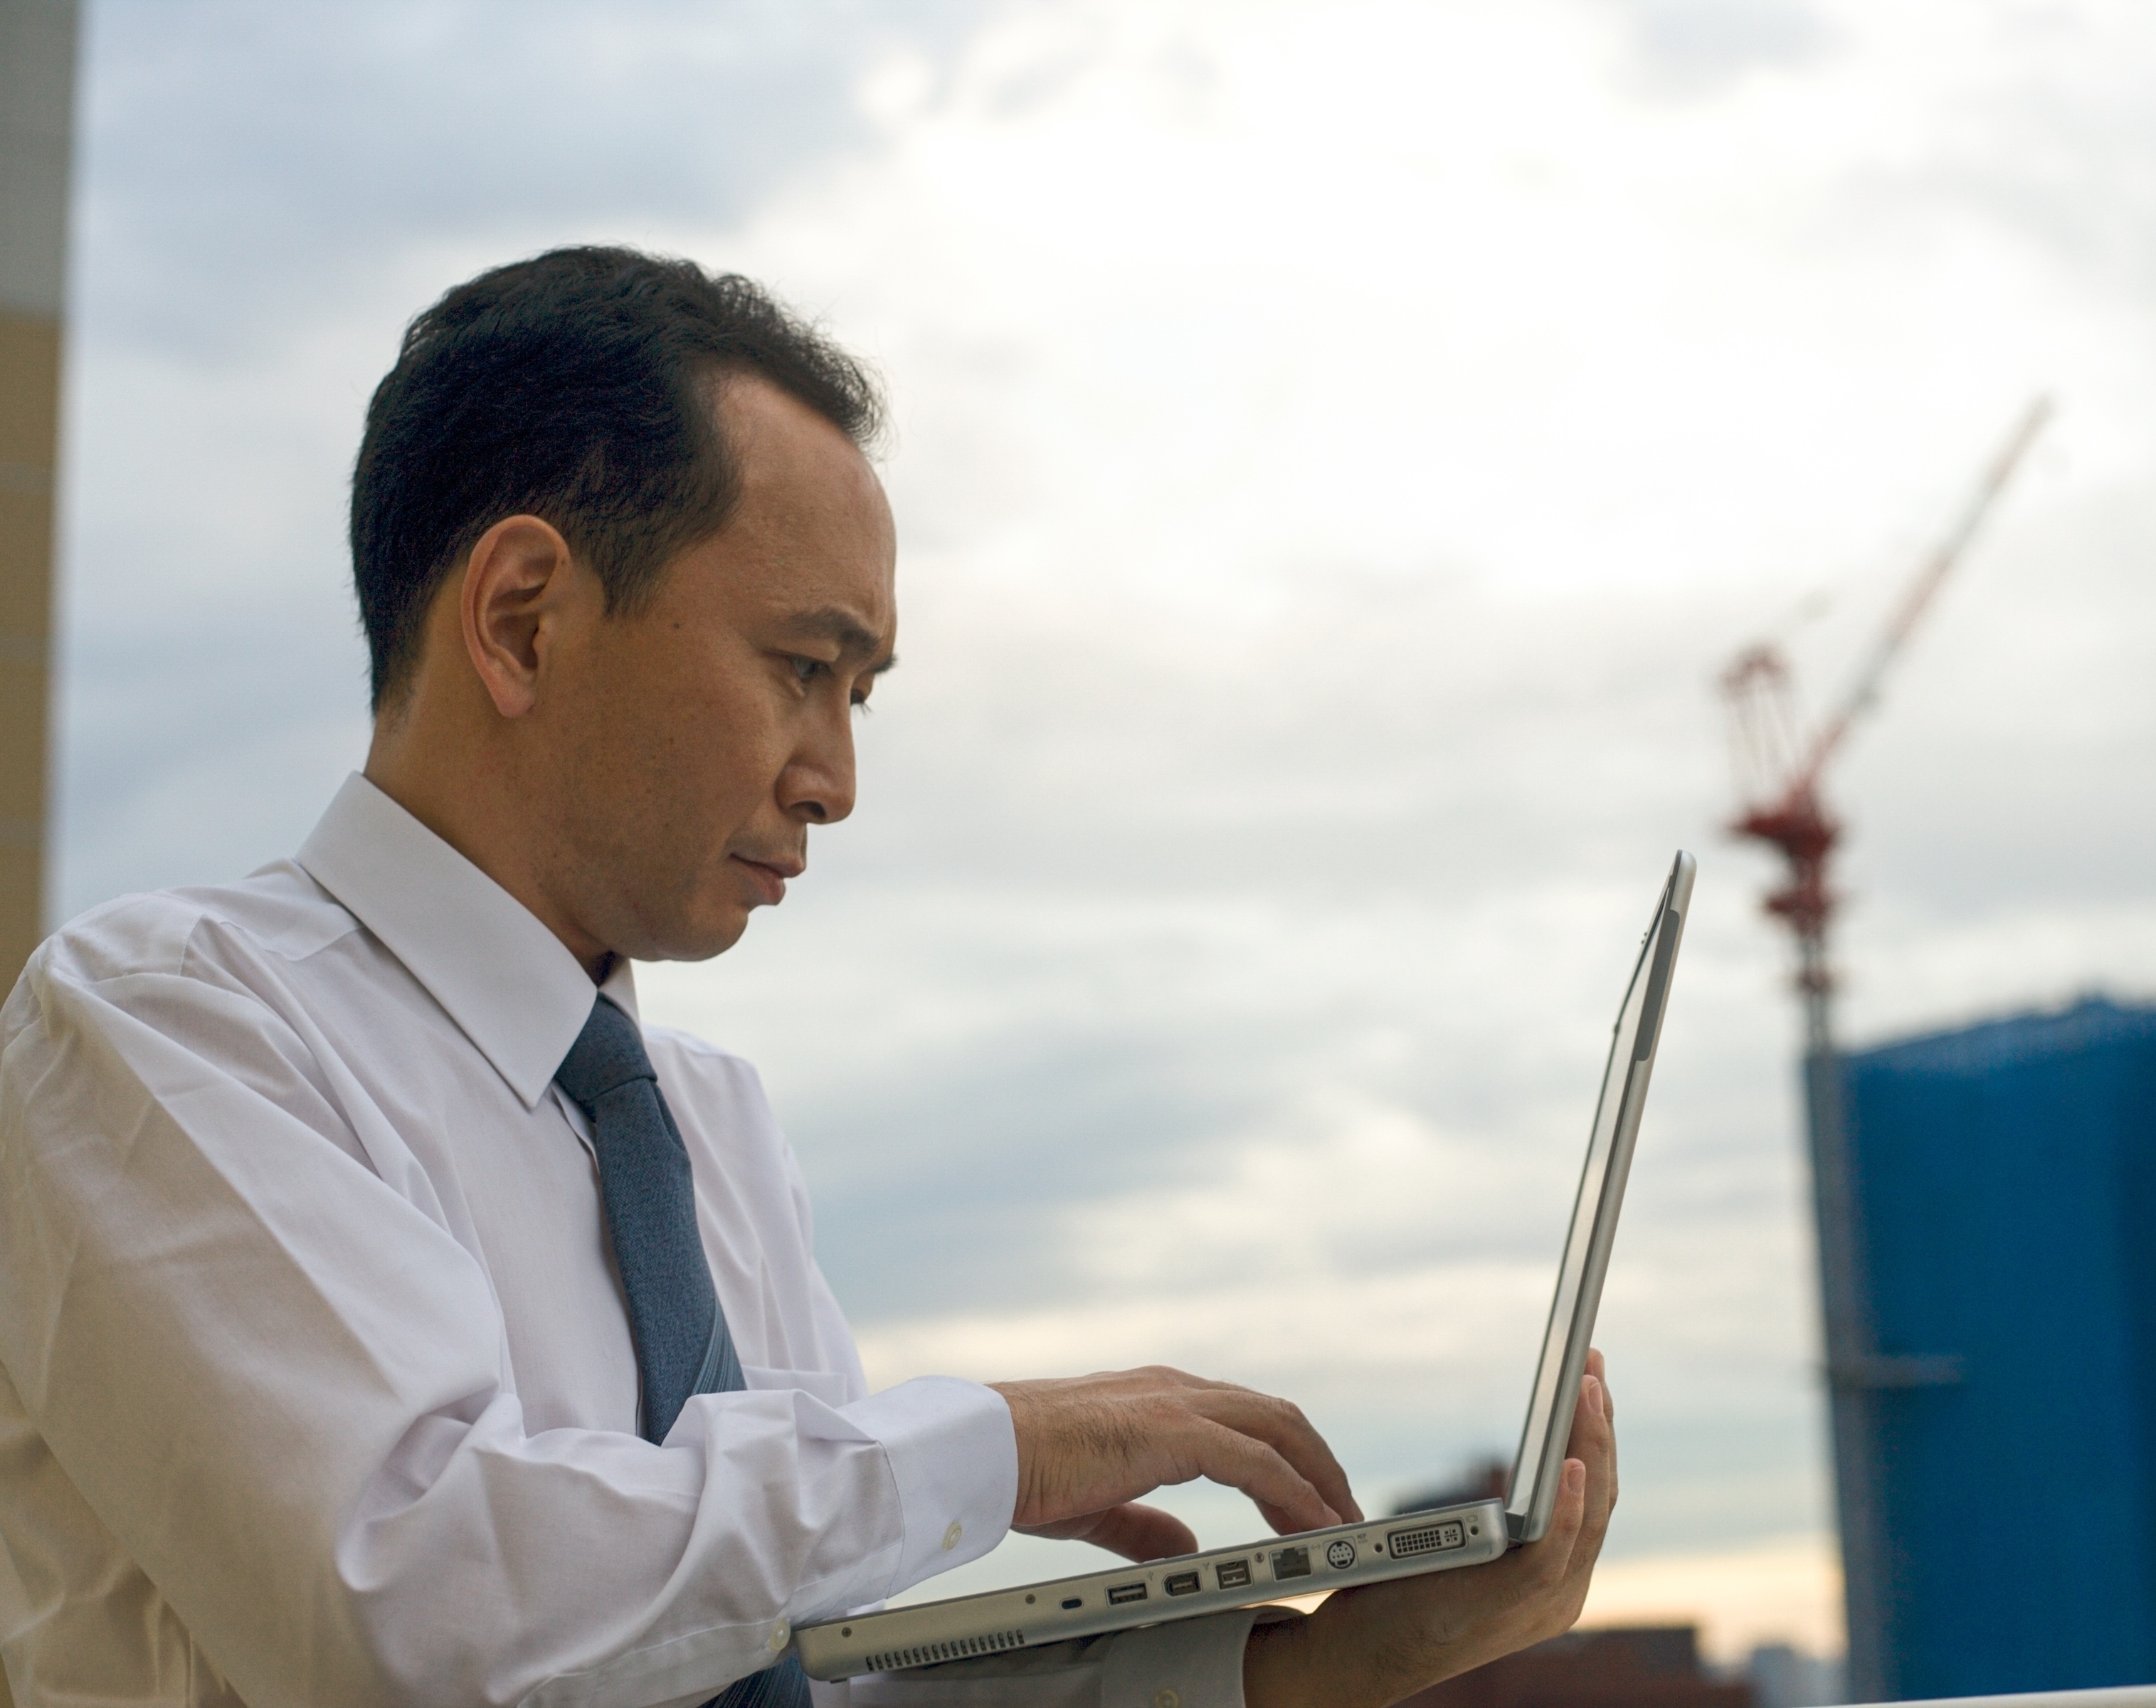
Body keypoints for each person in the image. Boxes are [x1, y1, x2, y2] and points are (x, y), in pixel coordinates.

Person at [0, 247, 1617, 1707]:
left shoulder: (706, 1121)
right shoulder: (164, 1024)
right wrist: (995, 1442)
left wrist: (1315, 1677)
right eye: (802, 669)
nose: (835, 779)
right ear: (521, 618)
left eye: (862, 694)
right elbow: (415, 1615)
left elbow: (786, 1679)